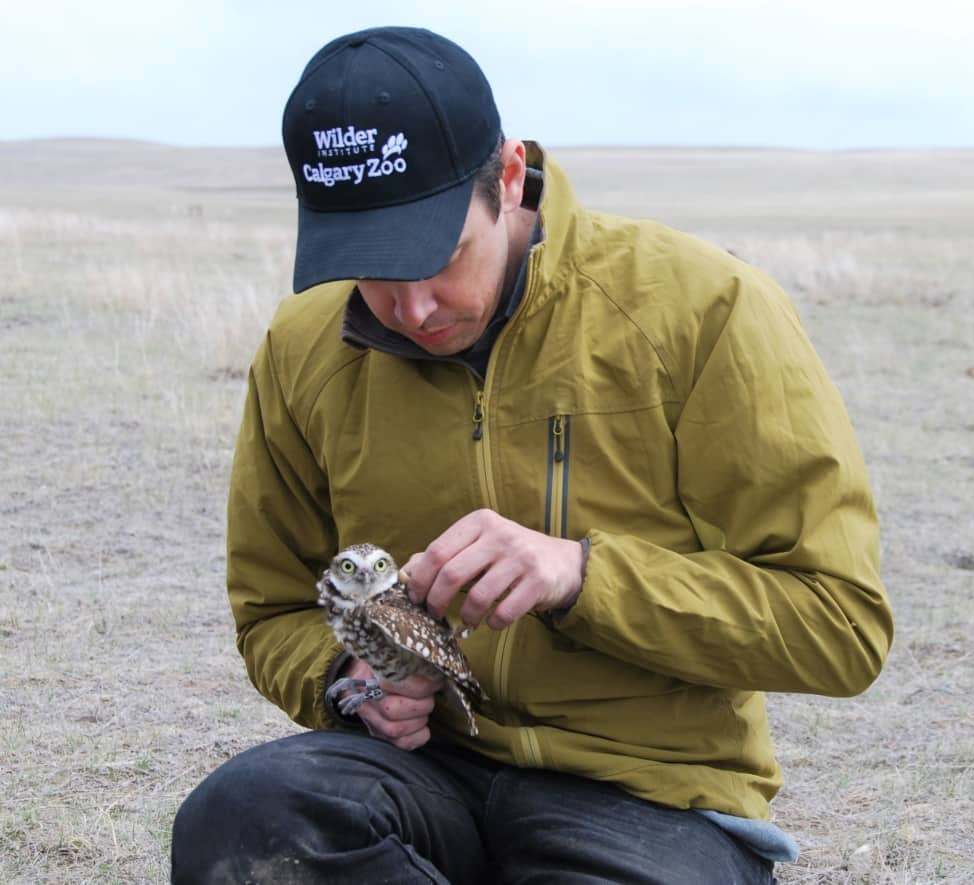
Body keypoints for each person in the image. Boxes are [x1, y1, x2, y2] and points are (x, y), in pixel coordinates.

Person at [171, 25, 893, 885]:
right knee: (244, 820)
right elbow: (273, 608)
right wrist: (347, 677)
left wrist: (584, 576)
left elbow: (840, 627)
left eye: (439, 257)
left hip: (647, 796)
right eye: (370, 269)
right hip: (425, 772)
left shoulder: (705, 310)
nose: (412, 308)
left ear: (509, 177)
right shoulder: (304, 347)